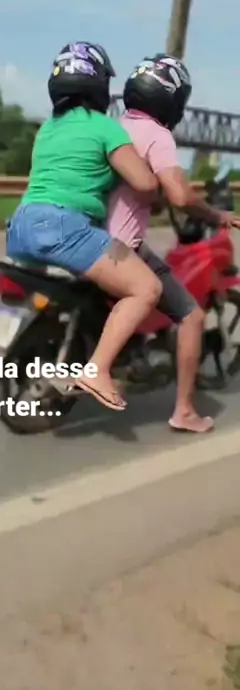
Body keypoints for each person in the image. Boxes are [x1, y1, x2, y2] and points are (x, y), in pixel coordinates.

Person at [6, 42, 162, 411]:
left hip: (20, 226)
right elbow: (144, 184)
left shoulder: (47, 130)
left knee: (94, 288)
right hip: (65, 229)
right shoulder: (105, 128)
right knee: (146, 288)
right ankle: (97, 370)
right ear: (98, 85)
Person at [107, 53, 240, 432]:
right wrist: (215, 215)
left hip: (84, 237)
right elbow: (181, 196)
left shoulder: (113, 127)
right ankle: (184, 411)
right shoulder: (156, 135)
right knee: (191, 316)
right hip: (120, 247)